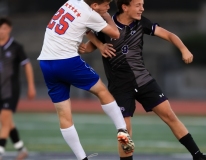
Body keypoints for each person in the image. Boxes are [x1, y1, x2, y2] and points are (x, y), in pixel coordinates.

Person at [78, 0, 206, 160]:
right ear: (125, 7)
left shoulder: (141, 23)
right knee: (125, 131)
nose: (142, 8)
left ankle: (198, 156)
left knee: (170, 116)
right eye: (138, 5)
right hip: (120, 86)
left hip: (143, 80)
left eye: (142, 4)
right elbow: (87, 47)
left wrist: (184, 49)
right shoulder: (106, 26)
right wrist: (89, 42)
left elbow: (169, 35)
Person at [37, 0, 135, 160]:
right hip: (67, 61)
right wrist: (106, 16)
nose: (108, 7)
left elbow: (84, 28)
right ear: (95, 5)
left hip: (46, 63)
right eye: (106, 4)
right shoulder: (90, 13)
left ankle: (82, 158)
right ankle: (122, 129)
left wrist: (99, 44)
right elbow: (115, 33)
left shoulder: (71, 2)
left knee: (64, 115)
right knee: (102, 91)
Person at [0, 17, 36, 160]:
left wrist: (31, 85)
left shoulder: (16, 47)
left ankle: (0, 151)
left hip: (11, 89)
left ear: (9, 29)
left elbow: (27, 65)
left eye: (4, 28)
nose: (1, 31)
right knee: (7, 122)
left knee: (5, 118)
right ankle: (21, 149)